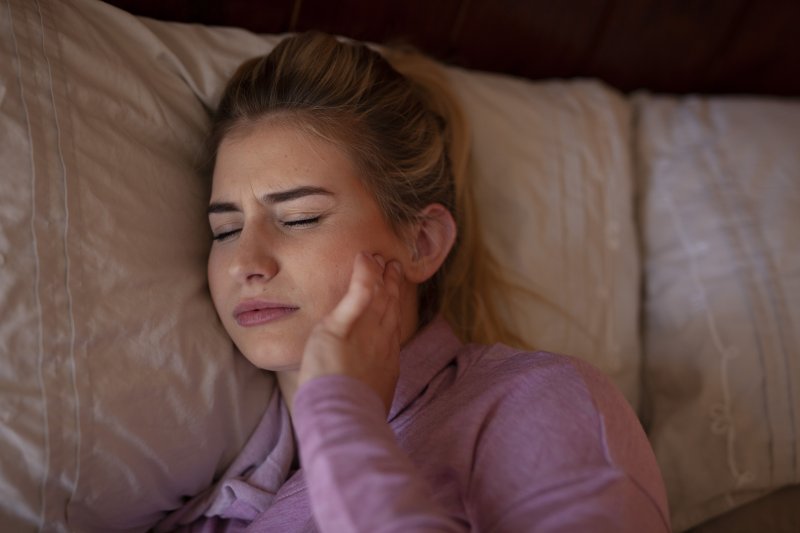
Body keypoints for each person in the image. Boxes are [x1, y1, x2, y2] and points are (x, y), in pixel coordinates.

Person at [159, 31, 670, 532]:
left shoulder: (539, 401)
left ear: (421, 243)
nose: (244, 261)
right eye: (225, 230)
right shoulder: (215, 504)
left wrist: (341, 422)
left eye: (299, 218)